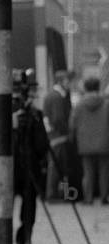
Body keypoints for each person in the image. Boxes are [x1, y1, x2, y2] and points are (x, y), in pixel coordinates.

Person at [12, 71, 49, 244]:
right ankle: (25, 241)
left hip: (7, 167)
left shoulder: (3, 112)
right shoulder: (34, 114)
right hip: (29, 167)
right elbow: (42, 144)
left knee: (2, 204)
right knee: (29, 204)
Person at [69, 77, 109, 204]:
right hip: (104, 142)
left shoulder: (79, 105)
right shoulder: (106, 104)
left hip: (84, 143)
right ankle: (104, 197)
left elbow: (72, 124)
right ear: (98, 87)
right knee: (104, 171)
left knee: (88, 172)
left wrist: (72, 138)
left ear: (85, 88)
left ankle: (88, 197)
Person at [43, 70, 73, 201]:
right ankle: (56, 194)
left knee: (57, 166)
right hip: (59, 137)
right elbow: (58, 118)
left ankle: (59, 193)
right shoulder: (57, 97)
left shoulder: (51, 95)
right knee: (59, 167)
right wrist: (67, 131)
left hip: (53, 136)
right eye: (67, 81)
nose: (69, 84)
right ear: (61, 82)